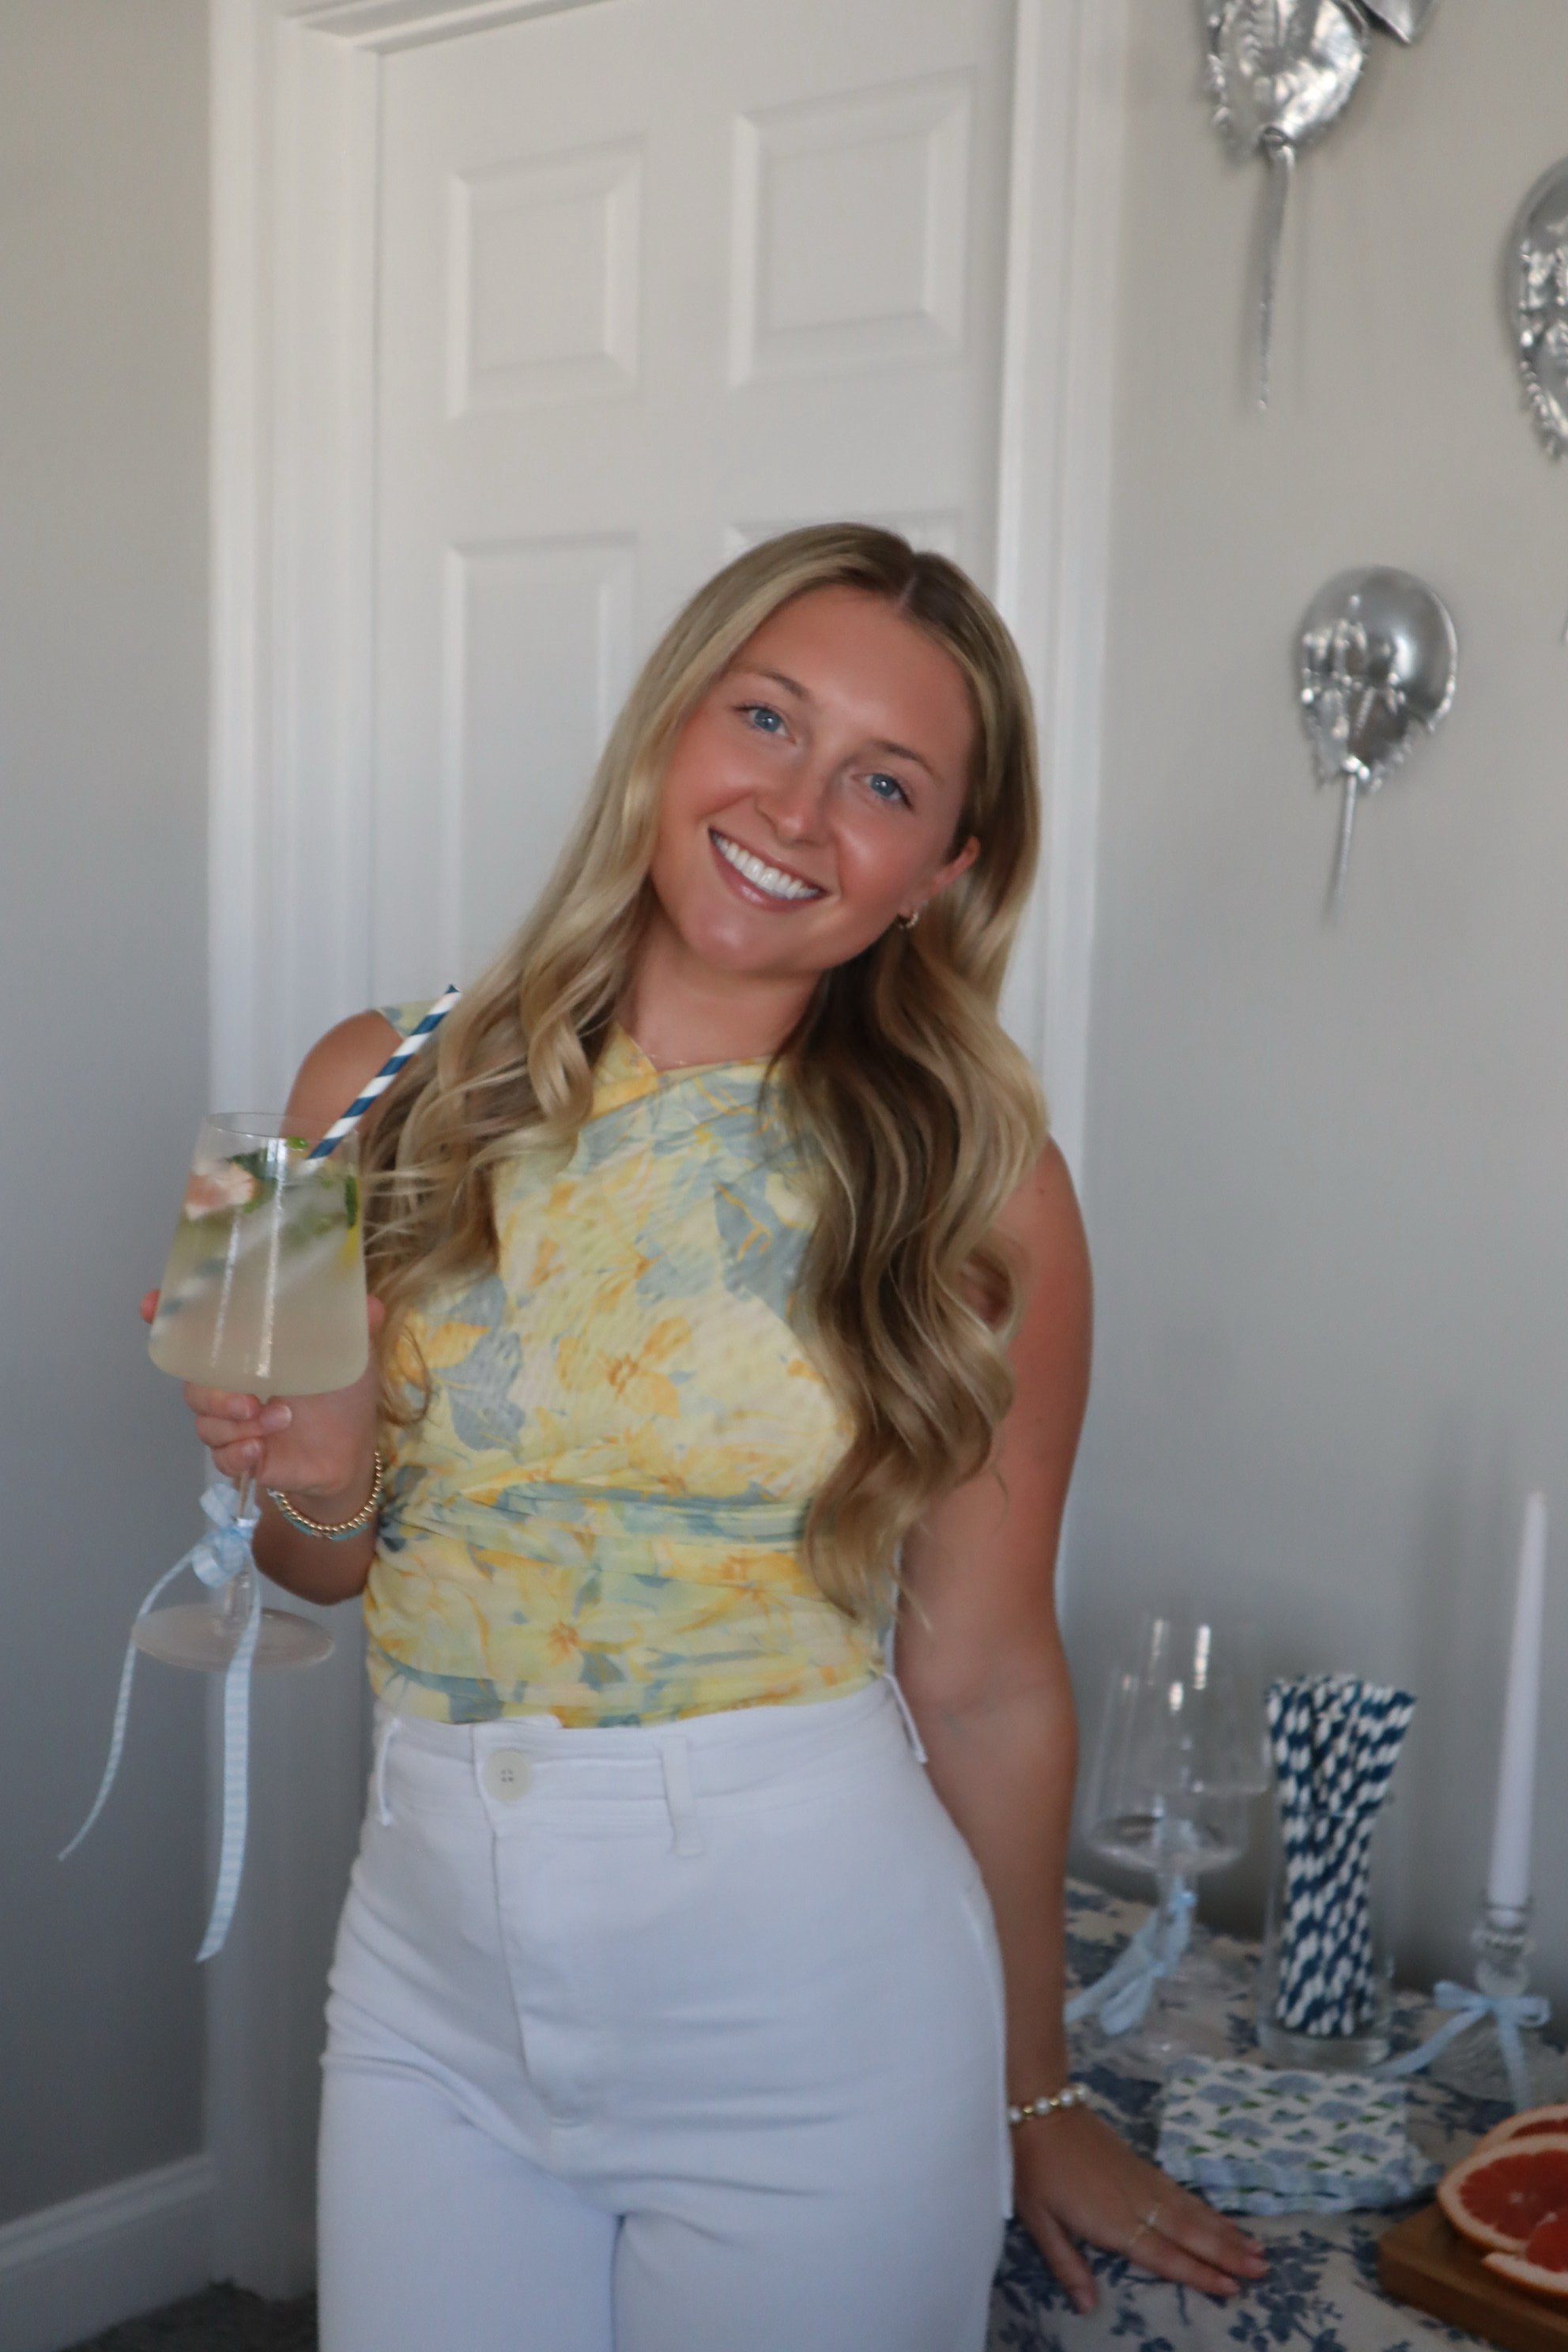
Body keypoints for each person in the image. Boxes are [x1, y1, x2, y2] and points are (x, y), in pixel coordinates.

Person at [162, 527, 1265, 2350]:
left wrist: (1034, 2093)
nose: (796, 807)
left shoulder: (986, 1193)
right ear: (672, 721)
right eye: (764, 717)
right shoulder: (369, 1086)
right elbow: (314, 1575)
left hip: (815, 2031)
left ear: (940, 870)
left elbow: (983, 1678)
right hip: (430, 2008)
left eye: (883, 783)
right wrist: (314, 1459)